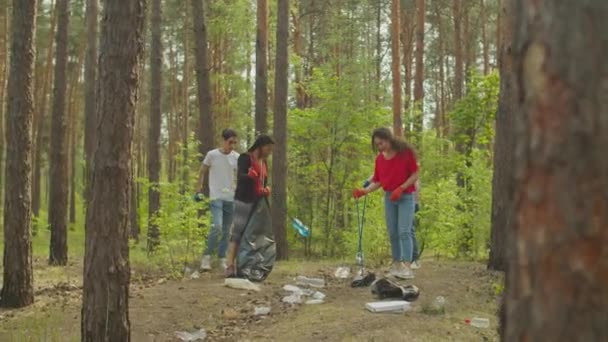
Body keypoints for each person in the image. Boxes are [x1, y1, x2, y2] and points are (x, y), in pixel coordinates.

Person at [353, 128, 419, 279]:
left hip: (406, 196)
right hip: (390, 197)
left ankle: (407, 267)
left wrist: (402, 188)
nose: (380, 147)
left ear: (389, 139)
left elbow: (415, 174)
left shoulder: (405, 153)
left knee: (404, 231)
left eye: (381, 143)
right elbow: (378, 181)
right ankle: (397, 265)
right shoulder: (380, 160)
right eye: (377, 145)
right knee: (393, 232)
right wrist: (364, 191)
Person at [225, 135, 275, 281]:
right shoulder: (245, 158)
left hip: (258, 202)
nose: (269, 151)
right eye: (268, 148)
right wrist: (249, 176)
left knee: (252, 234)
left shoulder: (264, 162)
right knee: (238, 232)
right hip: (243, 200)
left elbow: (263, 182)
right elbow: (240, 176)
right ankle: (229, 265)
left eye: (271, 149)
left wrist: (266, 189)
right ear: (260, 146)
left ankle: (248, 265)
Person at [197, 129, 239, 271]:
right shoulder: (212, 155)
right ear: (223, 140)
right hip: (216, 196)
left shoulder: (236, 157)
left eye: (234, 142)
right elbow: (202, 171)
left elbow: (239, 176)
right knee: (217, 226)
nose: (232, 145)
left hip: (231, 198)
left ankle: (221, 258)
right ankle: (206, 258)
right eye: (230, 142)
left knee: (227, 230)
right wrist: (198, 189)